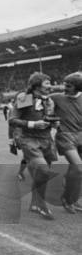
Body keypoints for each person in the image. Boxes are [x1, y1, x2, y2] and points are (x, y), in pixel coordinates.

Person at [9, 72, 58, 219]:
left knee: (43, 175)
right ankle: (41, 205)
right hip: (29, 139)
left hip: (47, 140)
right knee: (43, 170)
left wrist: (54, 123)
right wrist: (32, 124)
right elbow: (12, 120)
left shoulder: (49, 101)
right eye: (47, 83)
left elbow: (49, 119)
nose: (51, 86)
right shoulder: (26, 98)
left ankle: (35, 204)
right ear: (37, 85)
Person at [50, 71, 82, 213]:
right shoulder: (56, 98)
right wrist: (51, 121)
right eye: (64, 84)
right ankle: (67, 200)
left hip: (80, 136)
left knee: (76, 171)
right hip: (65, 136)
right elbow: (36, 101)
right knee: (78, 167)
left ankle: (73, 199)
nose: (64, 88)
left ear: (78, 87)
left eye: (68, 86)